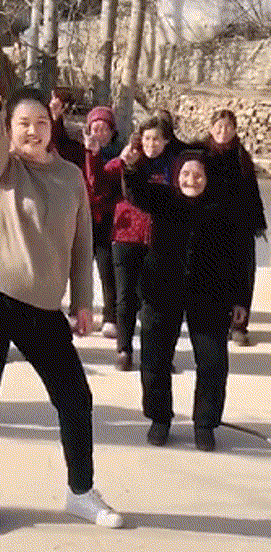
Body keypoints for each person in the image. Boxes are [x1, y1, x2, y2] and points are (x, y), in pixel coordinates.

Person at [0, 49, 123, 534]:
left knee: (75, 397)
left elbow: (82, 243)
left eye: (40, 123)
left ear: (53, 127)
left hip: (44, 307)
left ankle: (81, 492)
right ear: (11, 129)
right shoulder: (3, 168)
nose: (33, 131)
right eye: (23, 124)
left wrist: (84, 301)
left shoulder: (71, 176)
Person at [123, 149, 249, 451]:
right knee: (155, 359)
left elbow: (240, 257)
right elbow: (135, 192)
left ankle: (205, 424)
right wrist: (131, 166)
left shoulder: (224, 207)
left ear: (208, 178)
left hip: (210, 295)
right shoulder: (163, 199)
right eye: (185, 174)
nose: (191, 180)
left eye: (198, 175)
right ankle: (159, 419)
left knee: (213, 362)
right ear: (176, 176)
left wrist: (240, 299)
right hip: (162, 292)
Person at [104, 114, 180, 370]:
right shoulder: (131, 160)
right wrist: (123, 161)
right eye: (147, 138)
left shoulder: (174, 165)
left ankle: (156, 354)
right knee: (125, 298)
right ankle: (124, 349)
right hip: (127, 236)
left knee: (155, 301)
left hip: (159, 240)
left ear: (166, 141)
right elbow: (104, 176)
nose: (151, 144)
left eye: (156, 139)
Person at [204, 109, 267, 346]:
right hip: (210, 225)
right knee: (215, 273)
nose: (223, 131)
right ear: (211, 128)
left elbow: (252, 191)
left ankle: (240, 324)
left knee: (243, 274)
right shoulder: (202, 154)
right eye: (219, 126)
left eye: (229, 127)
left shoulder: (241, 156)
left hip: (240, 226)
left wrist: (258, 221)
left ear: (235, 130)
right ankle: (218, 321)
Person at [82, 106, 124, 338]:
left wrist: (96, 155)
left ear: (112, 132)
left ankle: (111, 316)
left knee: (107, 270)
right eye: (95, 128)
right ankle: (80, 312)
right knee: (79, 268)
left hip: (107, 219)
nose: (99, 133)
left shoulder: (119, 156)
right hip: (82, 217)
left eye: (104, 129)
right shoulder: (80, 152)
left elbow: (100, 183)